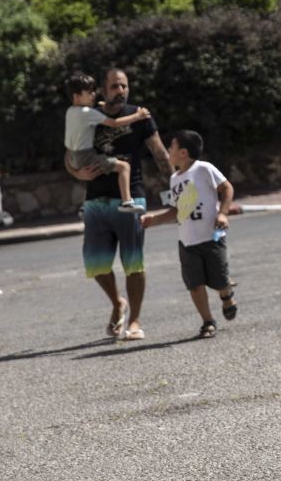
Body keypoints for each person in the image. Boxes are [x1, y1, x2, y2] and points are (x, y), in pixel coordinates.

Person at [66, 68, 173, 341]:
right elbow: (69, 153)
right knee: (96, 264)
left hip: (131, 197)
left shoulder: (139, 115)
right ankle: (118, 304)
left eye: (124, 86)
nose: (121, 91)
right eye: (115, 86)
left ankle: (135, 321)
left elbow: (159, 153)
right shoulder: (88, 113)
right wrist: (77, 173)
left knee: (133, 263)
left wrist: (177, 185)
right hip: (95, 199)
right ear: (103, 89)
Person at [140, 130, 238, 339]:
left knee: (220, 280)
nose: (168, 151)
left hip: (211, 237)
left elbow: (227, 188)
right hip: (187, 241)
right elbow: (177, 210)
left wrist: (223, 213)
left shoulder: (203, 169)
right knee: (195, 285)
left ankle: (226, 293)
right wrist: (154, 219)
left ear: (183, 152)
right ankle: (208, 321)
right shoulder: (175, 179)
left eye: (171, 148)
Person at [64, 71, 150, 214]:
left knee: (96, 171)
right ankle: (127, 202)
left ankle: (86, 207)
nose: (93, 95)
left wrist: (103, 105)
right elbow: (114, 123)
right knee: (124, 167)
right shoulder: (88, 113)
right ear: (77, 96)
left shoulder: (71, 111)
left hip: (72, 157)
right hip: (86, 157)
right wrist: (137, 116)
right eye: (89, 92)